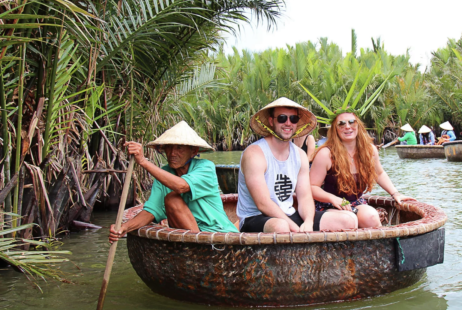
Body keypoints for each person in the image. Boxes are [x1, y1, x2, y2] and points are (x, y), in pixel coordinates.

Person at [237, 97, 356, 233]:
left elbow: (305, 197)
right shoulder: (255, 154)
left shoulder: (299, 155)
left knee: (348, 220)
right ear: (271, 121)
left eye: (293, 119)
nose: (288, 123)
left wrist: (308, 222)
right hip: (256, 217)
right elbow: (263, 203)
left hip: (288, 215)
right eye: (282, 118)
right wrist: (296, 229)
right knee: (281, 227)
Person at [109, 121, 237, 243]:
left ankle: (199, 247)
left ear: (194, 151)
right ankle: (196, 246)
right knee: (172, 200)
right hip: (190, 237)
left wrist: (143, 161)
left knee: (172, 198)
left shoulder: (205, 167)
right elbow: (152, 211)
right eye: (168, 147)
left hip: (219, 234)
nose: (172, 153)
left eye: (179, 148)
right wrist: (123, 228)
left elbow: (181, 186)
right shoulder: (164, 173)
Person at [310, 111, 415, 228]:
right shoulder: (326, 154)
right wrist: (333, 199)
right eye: (341, 124)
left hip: (355, 203)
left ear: (358, 126)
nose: (347, 127)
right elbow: (312, 187)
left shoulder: (370, 150)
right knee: (348, 219)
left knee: (371, 216)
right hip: (329, 205)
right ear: (335, 129)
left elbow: (379, 173)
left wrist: (395, 193)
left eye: (351, 122)